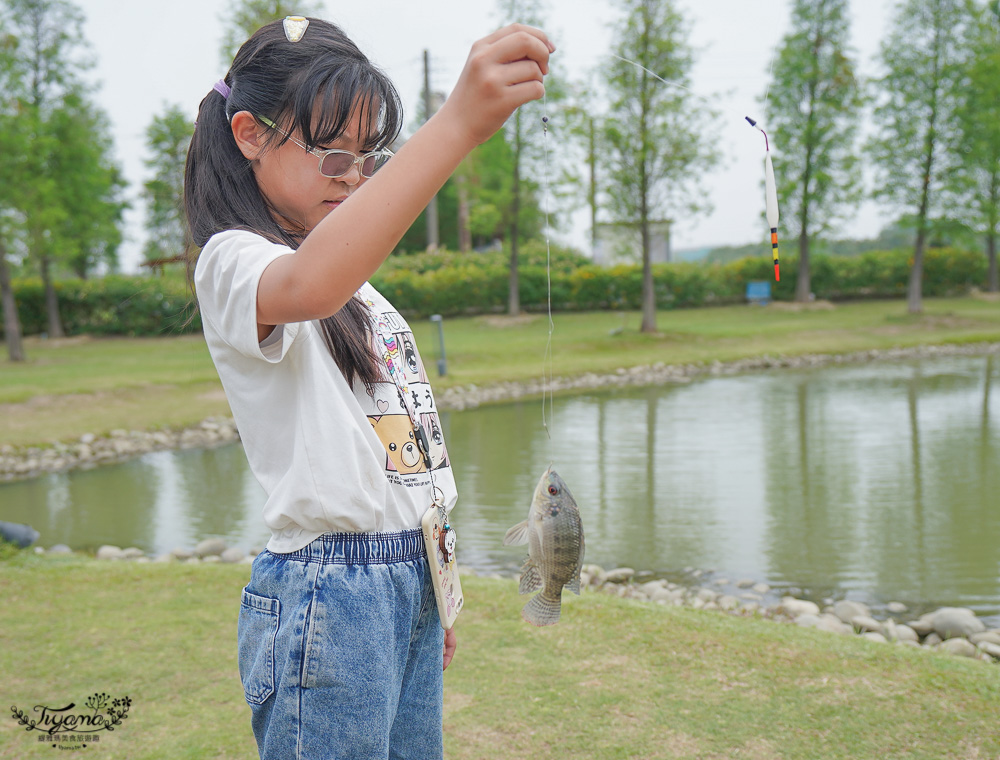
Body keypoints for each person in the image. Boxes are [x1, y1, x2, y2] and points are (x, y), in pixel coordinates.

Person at [183, 14, 553, 760]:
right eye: (332, 157)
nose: (353, 177)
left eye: (368, 159)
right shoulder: (233, 263)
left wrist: (433, 590)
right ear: (250, 134)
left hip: (405, 581)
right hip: (330, 589)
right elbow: (311, 283)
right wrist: (456, 126)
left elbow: (404, 453)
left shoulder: (360, 290)